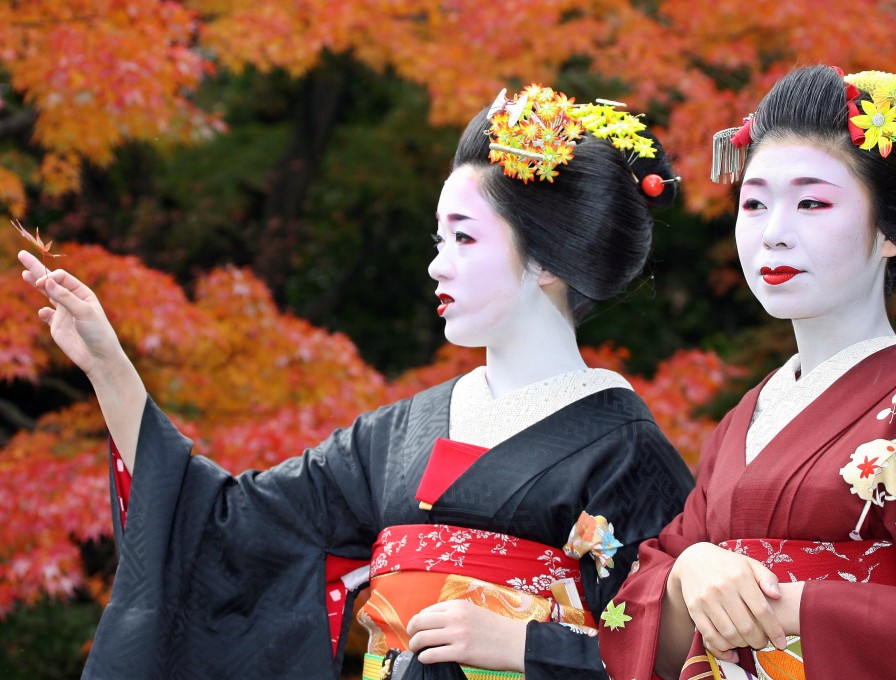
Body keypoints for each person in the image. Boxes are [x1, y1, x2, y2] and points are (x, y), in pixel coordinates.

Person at [18, 84, 695, 679]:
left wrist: (526, 646)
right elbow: (229, 524)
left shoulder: (627, 455)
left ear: (548, 257)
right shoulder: (399, 433)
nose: (437, 266)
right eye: (438, 241)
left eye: (463, 239)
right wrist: (108, 367)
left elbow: (673, 654)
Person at [598, 63, 896, 679]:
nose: (773, 234)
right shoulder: (749, 417)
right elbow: (640, 595)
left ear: (891, 232)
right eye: (754, 203)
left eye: (812, 202)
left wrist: (792, 606)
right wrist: (689, 574)